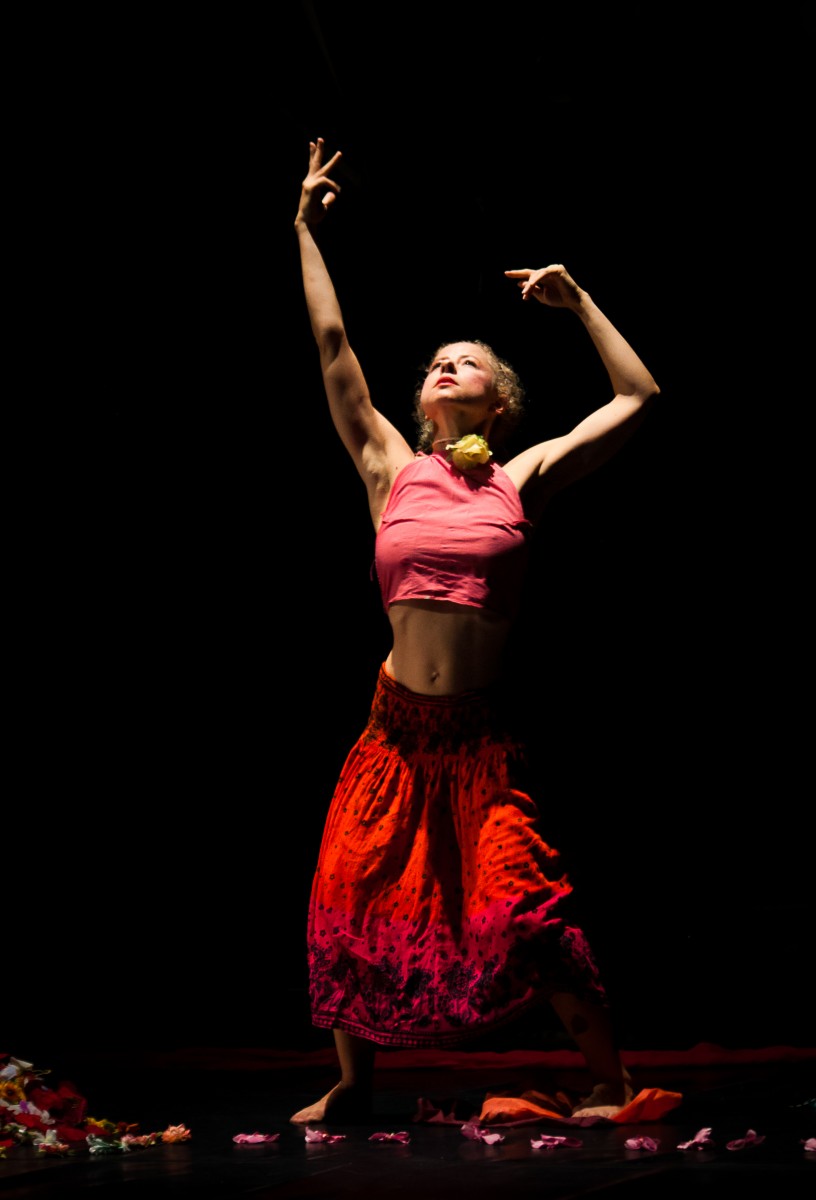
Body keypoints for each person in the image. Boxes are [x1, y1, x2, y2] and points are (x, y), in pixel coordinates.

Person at [290, 137, 660, 1125]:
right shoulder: (386, 467)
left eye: (469, 362)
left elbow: (638, 398)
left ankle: (611, 1082)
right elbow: (333, 348)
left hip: (478, 737)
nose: (446, 367)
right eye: (437, 364)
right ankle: (353, 1083)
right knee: (345, 896)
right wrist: (302, 229)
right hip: (393, 726)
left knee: (527, 907)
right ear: (422, 401)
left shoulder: (524, 474)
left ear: (498, 401)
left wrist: (578, 301)